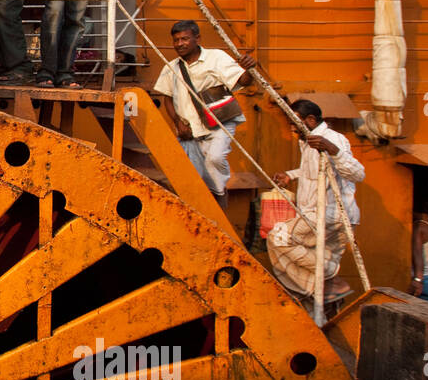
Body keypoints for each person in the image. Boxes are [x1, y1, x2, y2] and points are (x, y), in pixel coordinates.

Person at [150, 20, 256, 212]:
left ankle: (220, 194)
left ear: (197, 39)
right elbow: (167, 97)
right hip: (190, 130)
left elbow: (243, 80)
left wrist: (248, 69)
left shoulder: (216, 57)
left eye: (184, 39)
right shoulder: (171, 66)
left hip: (220, 123)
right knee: (192, 178)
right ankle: (206, 208)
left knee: (215, 158)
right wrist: (177, 123)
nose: (179, 44)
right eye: (176, 40)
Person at [268, 100, 366, 304]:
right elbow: (315, 171)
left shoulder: (333, 139)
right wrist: (290, 176)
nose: (291, 128)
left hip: (329, 215)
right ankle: (326, 297)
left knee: (279, 237)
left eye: (294, 122)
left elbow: (358, 173)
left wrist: (333, 150)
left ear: (310, 120)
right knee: (309, 264)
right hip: (322, 215)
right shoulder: (308, 140)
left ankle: (331, 277)